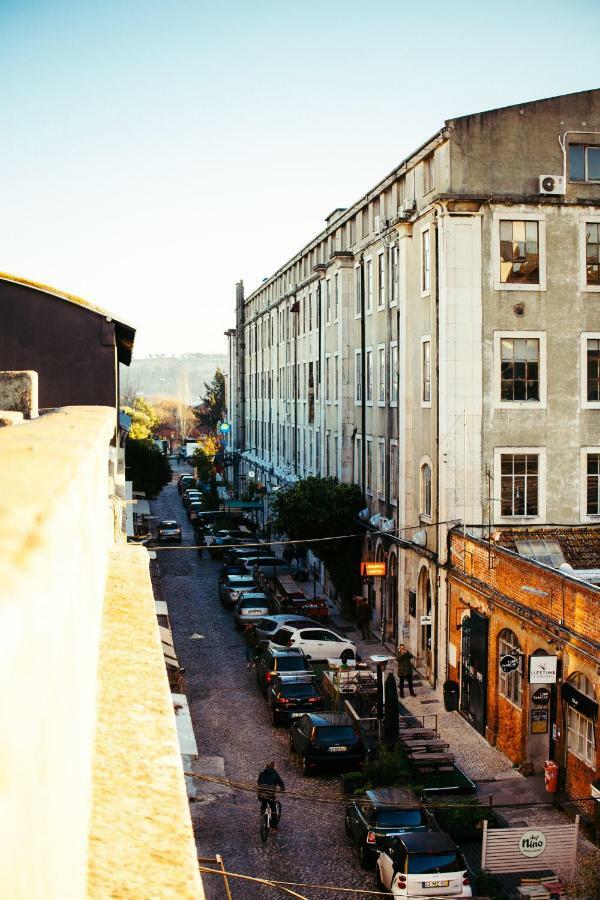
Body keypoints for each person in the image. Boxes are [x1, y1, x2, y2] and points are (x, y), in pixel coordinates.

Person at [257, 762, 285, 828]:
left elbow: (258, 782)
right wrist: (282, 790)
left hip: (261, 795)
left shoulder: (261, 773)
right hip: (270, 795)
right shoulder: (275, 774)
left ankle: (262, 815)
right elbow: (281, 783)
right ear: (273, 767)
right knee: (273, 808)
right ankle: (274, 825)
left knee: (263, 803)